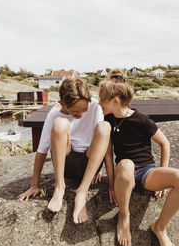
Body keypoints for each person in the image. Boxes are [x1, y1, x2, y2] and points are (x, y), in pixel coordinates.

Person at [98, 69, 179, 246]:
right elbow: (108, 154)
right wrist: (111, 184)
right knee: (126, 164)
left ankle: (160, 228)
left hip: (147, 173)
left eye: (102, 100)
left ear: (115, 101)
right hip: (124, 174)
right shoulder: (107, 120)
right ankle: (124, 217)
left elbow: (165, 144)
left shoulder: (142, 120)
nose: (99, 103)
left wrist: (163, 177)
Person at [17, 78, 111, 224]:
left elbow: (102, 139)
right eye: (74, 112)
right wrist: (34, 185)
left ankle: (82, 192)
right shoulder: (54, 113)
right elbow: (41, 151)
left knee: (105, 127)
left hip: (89, 163)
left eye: (84, 109)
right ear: (62, 104)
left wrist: (106, 177)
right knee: (60, 123)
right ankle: (60, 187)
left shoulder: (95, 107)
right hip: (66, 163)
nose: (80, 114)